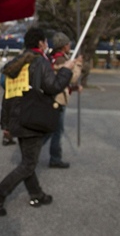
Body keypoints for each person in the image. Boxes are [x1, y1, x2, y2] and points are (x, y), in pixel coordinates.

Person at [0, 27, 74, 216]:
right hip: (33, 118)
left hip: (17, 118)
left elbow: (7, 96)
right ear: (41, 43)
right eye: (45, 42)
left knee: (28, 160)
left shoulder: (16, 62)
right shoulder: (39, 62)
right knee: (28, 164)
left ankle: (36, 194)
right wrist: (66, 71)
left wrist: (6, 124)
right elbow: (53, 86)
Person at [44, 32, 83, 169]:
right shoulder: (61, 60)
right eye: (67, 43)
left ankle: (38, 151)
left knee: (53, 129)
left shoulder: (55, 58)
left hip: (55, 96)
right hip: (58, 99)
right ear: (63, 46)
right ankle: (53, 157)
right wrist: (77, 65)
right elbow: (69, 77)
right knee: (55, 130)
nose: (69, 45)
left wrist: (74, 88)